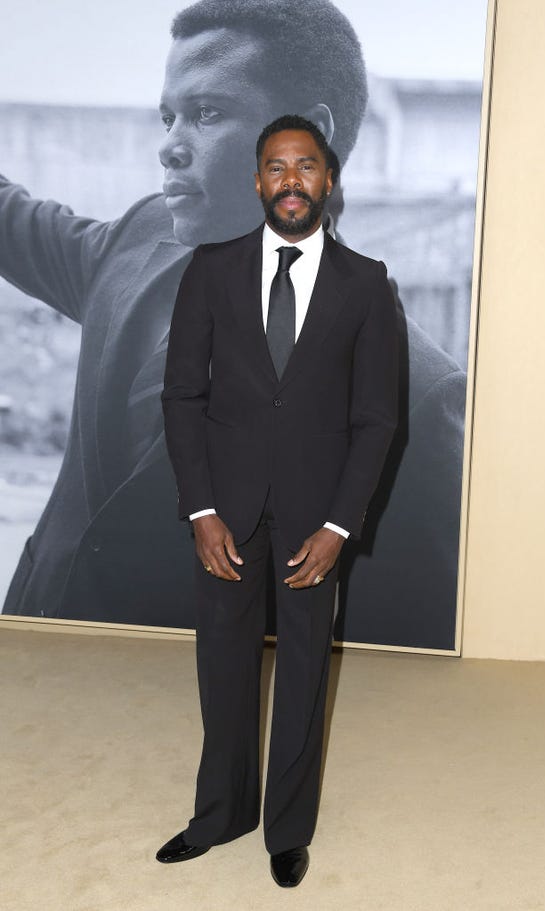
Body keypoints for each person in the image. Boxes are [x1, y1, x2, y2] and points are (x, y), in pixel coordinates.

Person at [0, 0, 465, 651]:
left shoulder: (412, 391)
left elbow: (400, 664)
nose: (169, 146)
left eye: (207, 113)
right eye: (169, 116)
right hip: (27, 674)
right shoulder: (138, 240)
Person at [156, 115, 398, 886]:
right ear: (257, 180)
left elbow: (377, 419)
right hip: (222, 513)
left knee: (301, 672)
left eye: (305, 166)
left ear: (329, 180)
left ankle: (287, 828)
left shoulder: (367, 282)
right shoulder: (211, 268)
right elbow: (182, 395)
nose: (290, 180)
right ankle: (222, 811)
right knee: (221, 665)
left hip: (314, 520)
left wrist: (338, 524)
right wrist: (199, 509)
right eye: (275, 167)